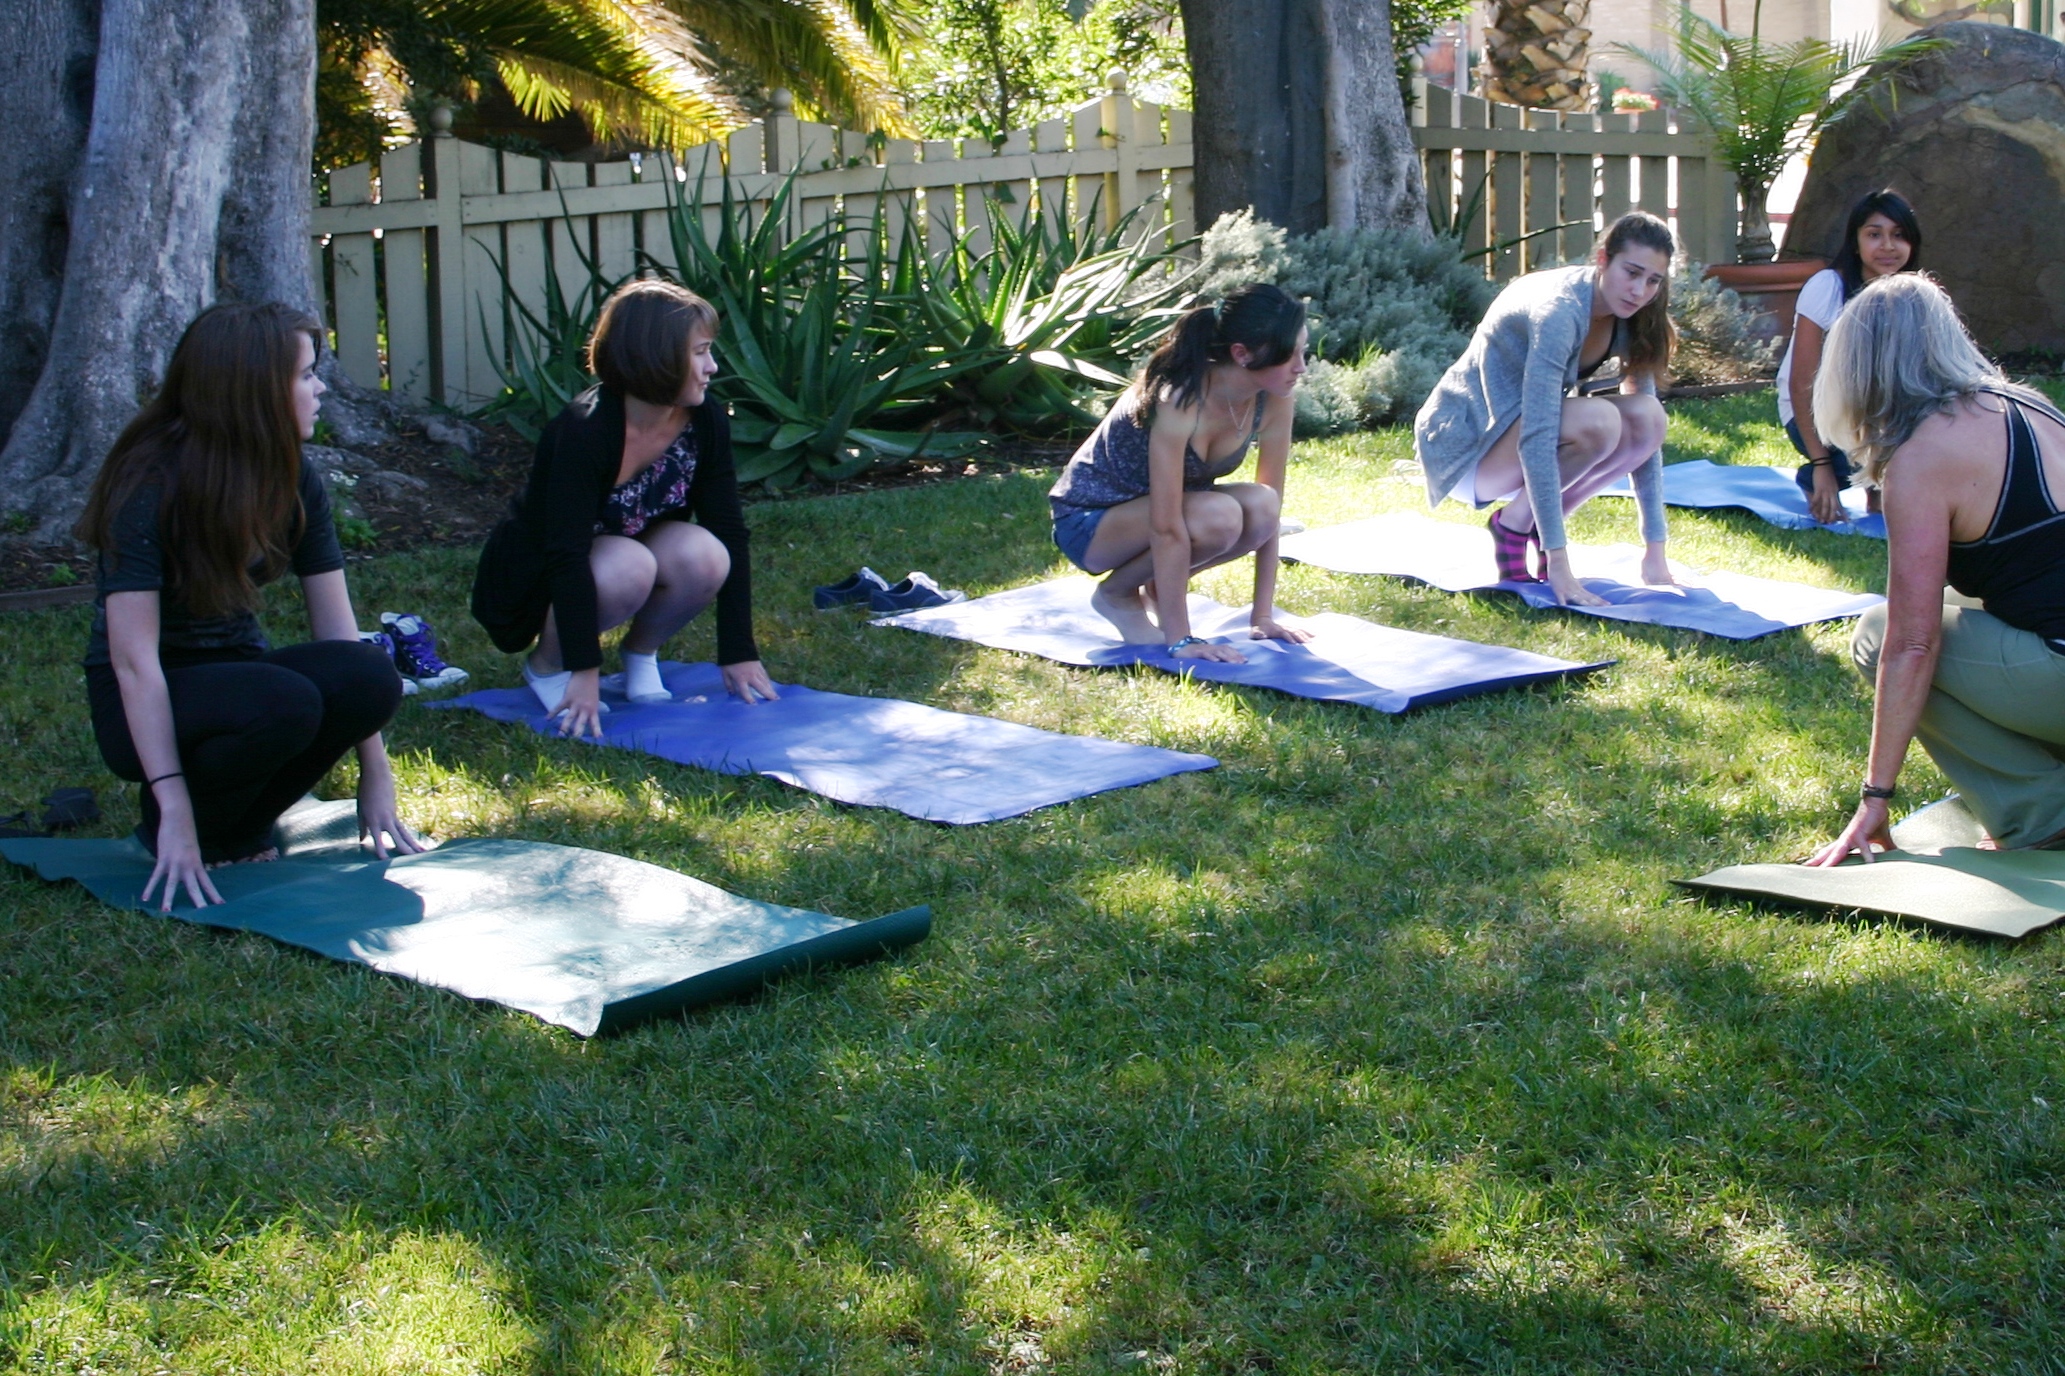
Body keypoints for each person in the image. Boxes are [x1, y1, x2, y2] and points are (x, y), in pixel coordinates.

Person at [75, 302, 420, 912]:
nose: (319, 390)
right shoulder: (149, 482)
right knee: (284, 701)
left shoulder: (291, 477)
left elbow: (339, 632)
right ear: (253, 390)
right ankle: (180, 824)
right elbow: (133, 662)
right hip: (142, 697)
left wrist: (376, 770)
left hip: (238, 676)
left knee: (370, 674)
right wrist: (173, 803)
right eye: (306, 376)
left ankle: (236, 832)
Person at [1808, 274, 2065, 864]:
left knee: (1880, 633)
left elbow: (1911, 644)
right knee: (1950, 605)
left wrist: (1876, 797)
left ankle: (2041, 810)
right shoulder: (2035, 405)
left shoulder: (1922, 457)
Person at [471, 279, 774, 739]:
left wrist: (739, 650)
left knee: (707, 554)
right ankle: (548, 666)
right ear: (656, 357)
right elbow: (566, 554)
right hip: (540, 578)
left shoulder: (703, 418)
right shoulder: (583, 431)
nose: (712, 367)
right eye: (699, 353)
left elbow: (729, 528)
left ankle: (640, 654)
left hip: (625, 550)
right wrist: (584, 670)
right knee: (630, 565)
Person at [1414, 211, 1678, 607]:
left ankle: (1533, 523)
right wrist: (1560, 562)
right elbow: (1538, 433)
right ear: (1603, 259)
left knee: (1649, 417)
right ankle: (1514, 526)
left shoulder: (1633, 315)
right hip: (1464, 448)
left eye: (1653, 280)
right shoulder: (1559, 311)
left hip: (1510, 437)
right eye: (1632, 273)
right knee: (1601, 421)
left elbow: (1647, 441)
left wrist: (1655, 550)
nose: (1640, 290)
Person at [1047, 283, 1313, 663]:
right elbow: (1166, 528)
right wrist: (1181, 640)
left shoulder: (1275, 399)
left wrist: (1263, 617)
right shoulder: (1179, 399)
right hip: (1089, 523)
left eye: (1304, 351)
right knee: (1218, 517)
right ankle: (1117, 593)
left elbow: (1272, 517)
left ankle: (1157, 588)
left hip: (1162, 515)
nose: (1301, 367)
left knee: (1262, 506)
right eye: (1290, 355)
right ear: (1241, 354)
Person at [1779, 189, 1922, 523]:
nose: (1888, 246)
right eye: (1874, 235)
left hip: (1876, 415)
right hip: (1814, 414)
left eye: (1899, 235)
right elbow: (1801, 384)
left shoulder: (1913, 296)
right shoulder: (1828, 286)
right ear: (1855, 242)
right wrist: (1821, 465)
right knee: (1861, 461)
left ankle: (1878, 485)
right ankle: (1829, 474)